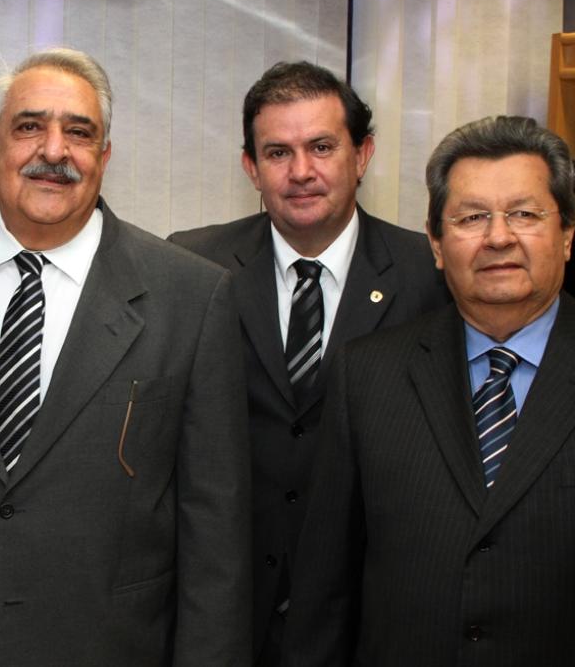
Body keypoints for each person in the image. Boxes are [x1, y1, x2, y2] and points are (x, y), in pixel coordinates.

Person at [0, 47, 251, 666]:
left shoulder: (192, 295)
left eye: (79, 132)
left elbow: (216, 528)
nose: (54, 151)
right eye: (29, 127)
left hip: (110, 645)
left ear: (104, 156)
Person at [284, 115, 575, 666]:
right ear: (437, 244)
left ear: (567, 234)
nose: (498, 236)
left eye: (524, 213)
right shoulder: (368, 374)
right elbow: (325, 591)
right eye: (471, 217)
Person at [169, 60, 448, 664]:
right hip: (226, 613)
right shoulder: (190, 268)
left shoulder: (431, 277)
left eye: (322, 146)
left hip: (368, 615)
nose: (301, 172)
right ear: (250, 167)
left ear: (363, 154)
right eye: (277, 152)